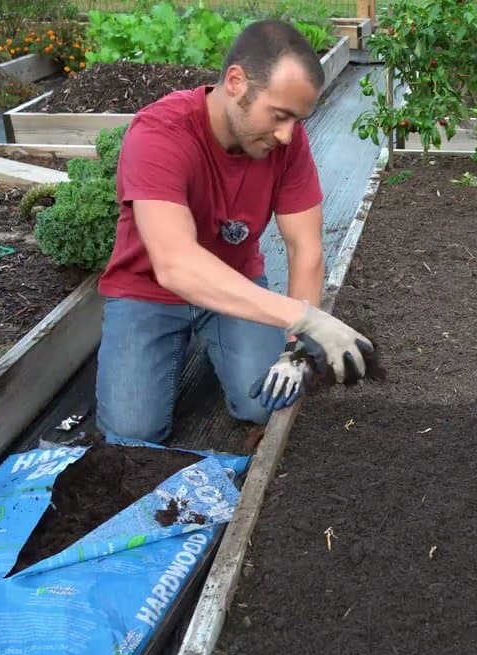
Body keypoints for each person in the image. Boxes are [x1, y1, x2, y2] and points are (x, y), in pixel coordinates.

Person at [94, 19, 373, 447]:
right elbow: (175, 264)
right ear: (237, 82)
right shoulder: (161, 134)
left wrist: (296, 349)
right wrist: (301, 315)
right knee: (132, 433)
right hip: (146, 291)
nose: (287, 134)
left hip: (235, 286)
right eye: (279, 116)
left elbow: (306, 249)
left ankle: (222, 342)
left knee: (269, 404)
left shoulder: (287, 143)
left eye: (297, 120)